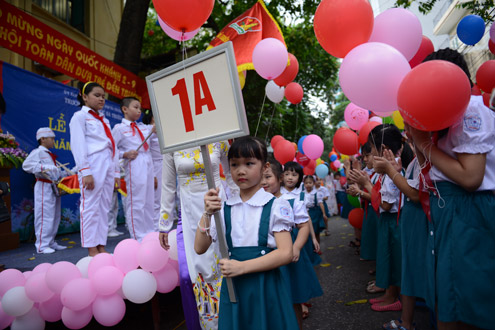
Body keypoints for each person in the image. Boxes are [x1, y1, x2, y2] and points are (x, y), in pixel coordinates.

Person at [408, 49, 495, 330]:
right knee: (447, 296)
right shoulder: (442, 113)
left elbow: (471, 177)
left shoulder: (470, 109)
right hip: (447, 210)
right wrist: (417, 135)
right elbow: (429, 171)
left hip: (469, 212)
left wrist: (423, 144)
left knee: (468, 301)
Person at [194, 136, 298, 330]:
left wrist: (241, 267)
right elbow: (199, 248)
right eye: (234, 165)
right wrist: (207, 212)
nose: (241, 171)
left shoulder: (276, 205)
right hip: (234, 289)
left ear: (265, 167)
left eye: (249, 163)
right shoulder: (223, 208)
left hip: (265, 287)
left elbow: (286, 252)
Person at [159, 141, 237, 330]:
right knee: (200, 270)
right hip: (191, 211)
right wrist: (164, 223)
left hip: (220, 205)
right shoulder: (172, 140)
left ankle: (233, 320)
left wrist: (240, 207)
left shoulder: (219, 137)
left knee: (224, 265)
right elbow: (168, 185)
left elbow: (231, 175)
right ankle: (211, 324)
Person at [373, 126, 428, 330]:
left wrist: (390, 172)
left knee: (409, 268)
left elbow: (414, 194)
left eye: (410, 128)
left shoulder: (421, 160)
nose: (407, 133)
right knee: (408, 269)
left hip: (416, 220)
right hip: (409, 220)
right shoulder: (413, 162)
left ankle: (407, 321)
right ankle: (406, 320)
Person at [262, 158, 323, 329]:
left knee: (293, 298)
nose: (263, 182)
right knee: (272, 301)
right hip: (266, 256)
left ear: (279, 178)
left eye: (267, 177)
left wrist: (295, 248)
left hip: (289, 257)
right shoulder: (257, 202)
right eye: (260, 178)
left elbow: (303, 226)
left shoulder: (292, 200)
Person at [69, 82, 120, 256]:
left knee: (104, 206)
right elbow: (78, 145)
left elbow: (113, 147)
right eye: (97, 95)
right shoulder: (79, 117)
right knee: (90, 205)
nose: (101, 99)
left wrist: (115, 173)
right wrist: (85, 171)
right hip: (93, 163)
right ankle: (91, 247)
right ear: (84, 97)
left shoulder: (104, 119)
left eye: (103, 96)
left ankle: (101, 244)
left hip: (107, 163)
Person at [112, 97, 155, 241]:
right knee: (137, 201)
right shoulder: (119, 129)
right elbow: (110, 151)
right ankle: (138, 236)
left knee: (149, 200)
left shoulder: (144, 127)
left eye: (140, 108)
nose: (139, 110)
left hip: (148, 161)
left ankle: (150, 232)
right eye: (135, 107)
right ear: (125, 109)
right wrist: (124, 154)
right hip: (134, 163)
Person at [22, 128, 66, 254]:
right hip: (43, 186)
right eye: (51, 138)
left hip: (52, 187)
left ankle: (51, 241)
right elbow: (26, 165)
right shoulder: (37, 152)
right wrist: (44, 167)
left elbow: (54, 172)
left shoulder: (49, 154)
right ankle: (41, 245)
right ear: (42, 139)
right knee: (44, 215)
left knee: (55, 215)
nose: (53, 141)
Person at [281, 162, 321, 268]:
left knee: (301, 264)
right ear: (282, 176)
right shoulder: (277, 193)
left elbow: (307, 219)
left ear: (299, 178)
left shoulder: (302, 195)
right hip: (281, 236)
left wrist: (313, 238)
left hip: (299, 235)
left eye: (294, 175)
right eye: (287, 174)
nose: (290, 178)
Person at [142, 109, 162, 229]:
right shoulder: (147, 130)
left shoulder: (161, 130)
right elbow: (147, 150)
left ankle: (161, 224)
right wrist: (153, 174)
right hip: (155, 165)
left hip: (164, 164)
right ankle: (155, 227)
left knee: (163, 197)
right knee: (156, 198)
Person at [302, 175, 327, 246]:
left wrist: (324, 214)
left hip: (315, 213)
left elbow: (321, 203)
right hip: (305, 213)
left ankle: (317, 246)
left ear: (313, 183)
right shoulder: (302, 193)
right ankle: (310, 248)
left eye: (310, 183)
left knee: (316, 232)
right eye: (306, 183)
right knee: (307, 232)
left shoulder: (317, 193)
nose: (308, 185)